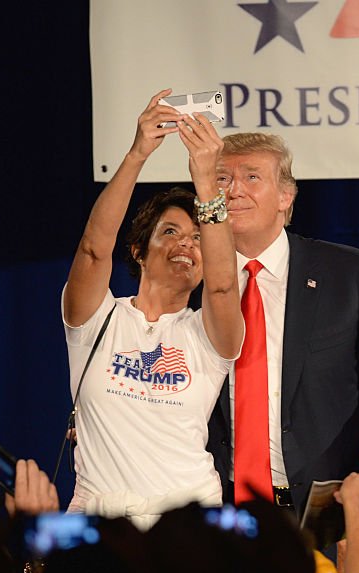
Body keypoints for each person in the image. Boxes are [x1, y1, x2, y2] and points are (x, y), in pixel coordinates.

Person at [205, 132, 359, 512]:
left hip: (334, 506)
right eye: (222, 179)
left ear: (285, 197)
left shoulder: (348, 273)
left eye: (252, 177)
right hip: (223, 511)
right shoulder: (194, 282)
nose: (234, 190)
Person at [63, 90, 243, 528]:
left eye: (199, 237)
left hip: (189, 532)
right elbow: (91, 251)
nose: (187, 243)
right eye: (170, 231)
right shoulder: (97, 320)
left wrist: (207, 185)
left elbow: (222, 289)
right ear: (139, 251)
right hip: (100, 529)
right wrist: (137, 154)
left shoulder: (208, 335)